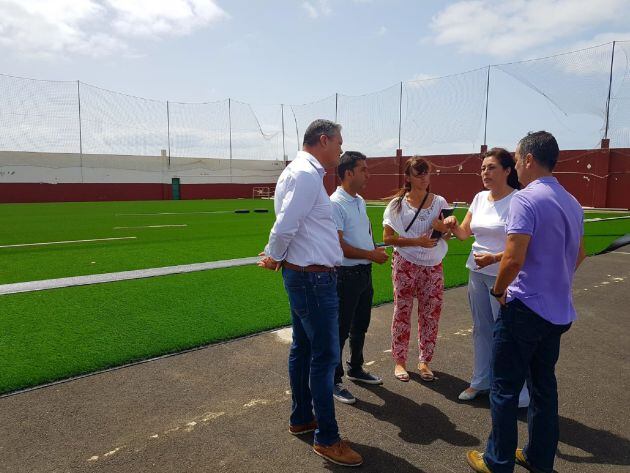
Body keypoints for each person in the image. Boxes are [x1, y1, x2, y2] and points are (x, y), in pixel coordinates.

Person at [466, 131, 586, 473]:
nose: (517, 164)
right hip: (557, 311)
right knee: (543, 388)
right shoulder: (571, 202)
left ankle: (498, 461)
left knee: (504, 389)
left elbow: (514, 258)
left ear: (529, 160)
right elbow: (579, 254)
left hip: (524, 309)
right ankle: (538, 458)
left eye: (518, 159)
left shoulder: (525, 199)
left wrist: (499, 290)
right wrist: (554, 280)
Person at [258, 119, 362, 467]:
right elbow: (286, 221)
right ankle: (328, 439)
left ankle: (303, 417)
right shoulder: (305, 174)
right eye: (339, 143)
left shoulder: (299, 171)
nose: (341, 149)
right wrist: (274, 254)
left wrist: (279, 255)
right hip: (314, 280)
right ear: (323, 140)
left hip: (305, 277)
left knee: (303, 350)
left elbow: (294, 223)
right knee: (325, 357)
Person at [444, 148, 530, 408]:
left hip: (503, 275)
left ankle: (519, 390)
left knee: (507, 332)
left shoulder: (519, 200)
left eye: (491, 167)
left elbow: (524, 246)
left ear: (507, 170)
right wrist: (450, 224)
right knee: (481, 328)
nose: (485, 172)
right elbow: (463, 233)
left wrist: (494, 258)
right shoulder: (479, 198)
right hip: (477, 272)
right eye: (482, 168)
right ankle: (480, 380)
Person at [382, 157, 451, 383]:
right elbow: (388, 238)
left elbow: (450, 233)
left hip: (433, 264)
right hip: (405, 263)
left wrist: (442, 228)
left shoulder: (440, 202)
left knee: (431, 313)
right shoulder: (397, 205)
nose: (423, 178)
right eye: (418, 173)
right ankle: (400, 361)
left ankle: (424, 361)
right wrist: (416, 242)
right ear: (408, 177)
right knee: (402, 311)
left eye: (426, 173)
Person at [330, 151, 389, 405]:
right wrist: (370, 254)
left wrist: (373, 250)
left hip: (364, 272)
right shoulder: (335, 203)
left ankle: (355, 367)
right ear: (348, 173)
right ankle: (332, 380)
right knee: (340, 329)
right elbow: (338, 245)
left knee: (360, 324)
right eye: (363, 169)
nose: (368, 173)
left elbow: (364, 230)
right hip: (346, 274)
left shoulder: (359, 200)